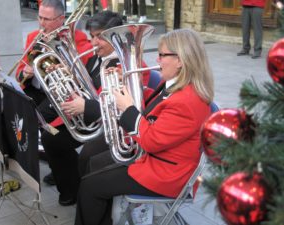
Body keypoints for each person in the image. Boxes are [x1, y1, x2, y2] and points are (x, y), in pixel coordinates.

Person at [75, 28, 214, 225]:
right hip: (158, 160)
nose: (157, 60)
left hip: (166, 174)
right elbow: (158, 108)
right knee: (93, 163)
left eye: (162, 55)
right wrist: (129, 86)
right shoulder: (179, 86)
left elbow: (151, 141)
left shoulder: (188, 101)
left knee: (89, 187)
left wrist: (128, 108)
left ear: (181, 60)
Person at [41, 10, 152, 206]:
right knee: (49, 134)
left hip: (112, 126)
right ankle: (69, 181)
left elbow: (124, 108)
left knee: (59, 142)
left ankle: (74, 188)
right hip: (90, 114)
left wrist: (85, 106)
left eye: (100, 37)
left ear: (114, 35)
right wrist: (67, 80)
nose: (93, 43)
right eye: (92, 36)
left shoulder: (131, 64)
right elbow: (89, 87)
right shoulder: (96, 58)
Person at [15, 0, 92, 105]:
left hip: (61, 95)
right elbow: (19, 72)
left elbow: (81, 73)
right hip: (33, 90)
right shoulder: (33, 36)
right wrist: (25, 73)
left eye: (46, 19)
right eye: (40, 17)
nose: (41, 23)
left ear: (61, 19)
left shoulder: (77, 37)